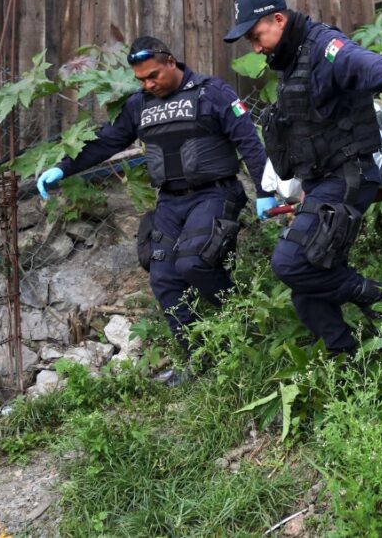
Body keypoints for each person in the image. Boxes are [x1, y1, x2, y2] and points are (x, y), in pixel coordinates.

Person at [36, 37, 275, 374]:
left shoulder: (212, 92)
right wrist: (63, 167)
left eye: (153, 76)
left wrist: (266, 190)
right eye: (141, 80)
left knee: (194, 262)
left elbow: (248, 140)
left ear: (171, 62)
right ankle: (200, 362)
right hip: (170, 201)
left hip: (215, 193)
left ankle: (245, 323)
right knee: (164, 277)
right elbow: (106, 142)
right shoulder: (139, 105)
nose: (148, 84)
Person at [224, 0, 382, 355]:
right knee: (308, 284)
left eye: (256, 37)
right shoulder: (291, 57)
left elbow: (363, 61)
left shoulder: (323, 46)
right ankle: (343, 355)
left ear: (278, 20)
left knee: (291, 261)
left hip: (348, 176)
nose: (255, 48)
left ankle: (380, 296)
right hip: (320, 183)